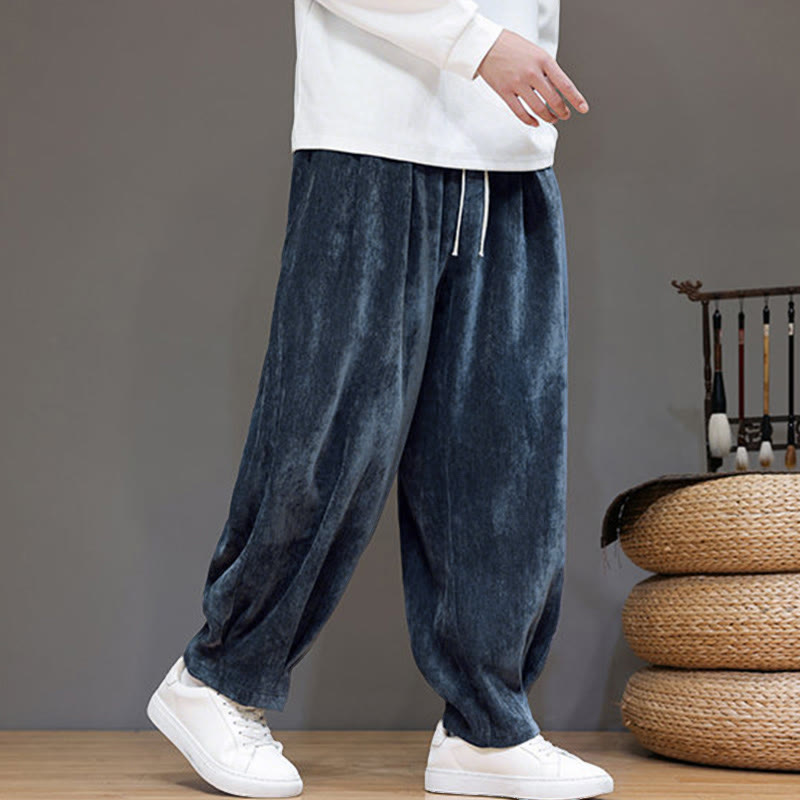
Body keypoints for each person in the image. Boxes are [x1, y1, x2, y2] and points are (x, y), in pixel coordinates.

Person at [146, 1, 615, 798]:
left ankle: (486, 725)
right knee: (333, 438)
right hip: (372, 142)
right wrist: (475, 44)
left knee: (505, 454)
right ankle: (218, 678)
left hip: (509, 150)